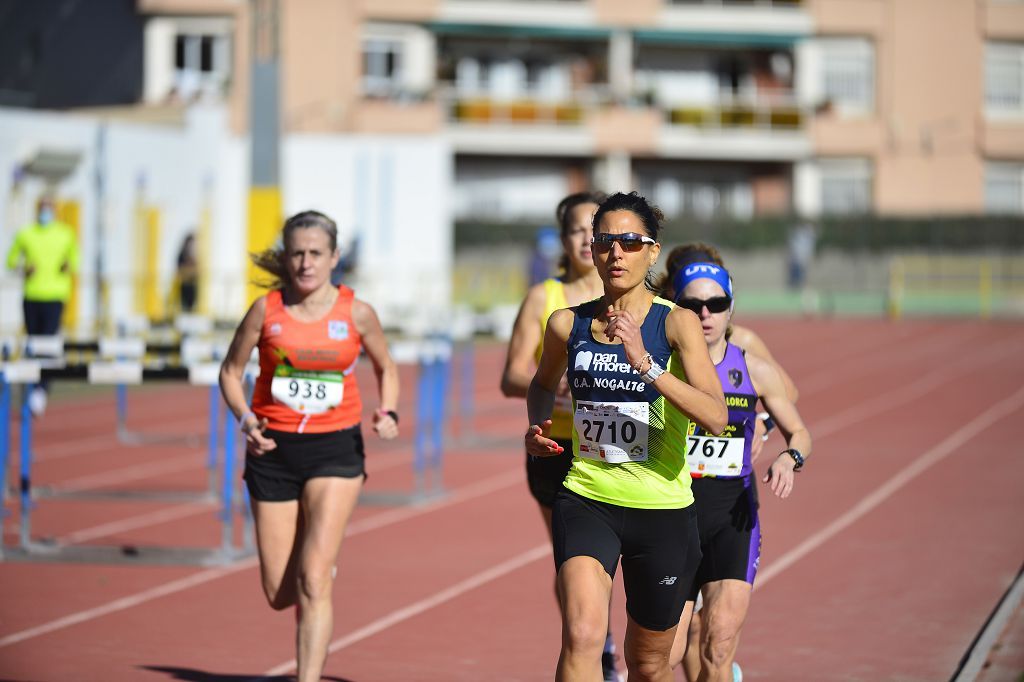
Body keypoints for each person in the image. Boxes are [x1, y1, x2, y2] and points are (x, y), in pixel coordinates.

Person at [526, 191, 727, 681]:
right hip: (587, 496)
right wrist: (536, 427)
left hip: (662, 511)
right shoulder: (566, 323)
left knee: (650, 662)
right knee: (582, 636)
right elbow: (540, 384)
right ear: (592, 250)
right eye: (605, 242)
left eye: (631, 242)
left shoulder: (675, 324)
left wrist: (646, 364)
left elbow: (716, 417)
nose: (616, 253)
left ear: (652, 251)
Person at [218, 210, 399, 682]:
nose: (305, 263)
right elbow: (230, 373)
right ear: (286, 257)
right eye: (297, 253)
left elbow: (386, 366)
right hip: (272, 452)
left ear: (334, 257)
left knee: (314, 579)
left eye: (315, 253)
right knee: (280, 591)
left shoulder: (356, 312)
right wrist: (245, 419)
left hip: (335, 453)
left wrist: (388, 411)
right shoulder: (266, 310)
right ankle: (311, 576)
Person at [667, 260, 813, 682]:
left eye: (717, 303)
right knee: (664, 654)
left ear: (732, 308)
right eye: (693, 305)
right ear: (678, 307)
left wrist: (791, 457)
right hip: (672, 517)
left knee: (718, 646)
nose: (706, 314)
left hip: (733, 519)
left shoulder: (754, 370)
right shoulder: (663, 369)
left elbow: (800, 431)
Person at [502, 191, 627, 680]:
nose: (586, 239)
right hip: (559, 447)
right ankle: (596, 644)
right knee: (576, 562)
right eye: (577, 229)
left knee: (624, 557)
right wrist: (555, 380)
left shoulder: (634, 300)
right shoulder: (545, 298)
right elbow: (512, 375)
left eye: (596, 229)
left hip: (621, 446)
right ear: (565, 238)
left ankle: (605, 638)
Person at [5, 194, 79, 416]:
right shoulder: (26, 234)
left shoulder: (65, 234)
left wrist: (68, 265)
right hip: (32, 295)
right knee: (31, 343)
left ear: (55, 210)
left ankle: (40, 390)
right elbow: (10, 260)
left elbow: (76, 259)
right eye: (42, 207)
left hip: (55, 296)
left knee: (47, 343)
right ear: (37, 209)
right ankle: (30, 386)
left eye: (49, 207)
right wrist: (23, 268)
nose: (45, 211)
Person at [175, 232, 198, 313]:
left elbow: (197, 271)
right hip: (184, 286)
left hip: (192, 286)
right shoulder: (182, 255)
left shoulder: (194, 256)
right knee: (184, 309)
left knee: (192, 309)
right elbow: (180, 270)